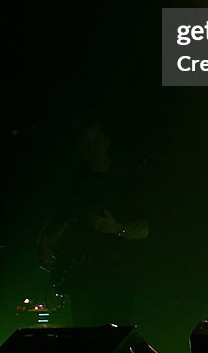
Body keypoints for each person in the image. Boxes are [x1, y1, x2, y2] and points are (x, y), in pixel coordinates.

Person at [37, 113, 149, 327]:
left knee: (113, 339)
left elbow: (146, 228)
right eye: (85, 143)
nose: (90, 149)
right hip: (84, 281)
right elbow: (63, 215)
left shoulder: (126, 180)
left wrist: (117, 229)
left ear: (106, 140)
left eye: (94, 141)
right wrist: (44, 240)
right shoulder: (78, 182)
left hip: (117, 280)